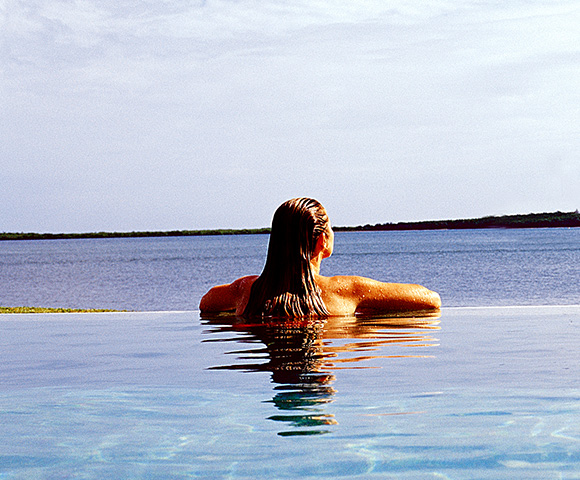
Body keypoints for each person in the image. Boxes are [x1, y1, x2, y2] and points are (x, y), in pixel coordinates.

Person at [200, 197, 441, 317]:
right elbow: (431, 300)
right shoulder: (347, 290)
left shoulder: (247, 289)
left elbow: (206, 303)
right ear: (321, 241)